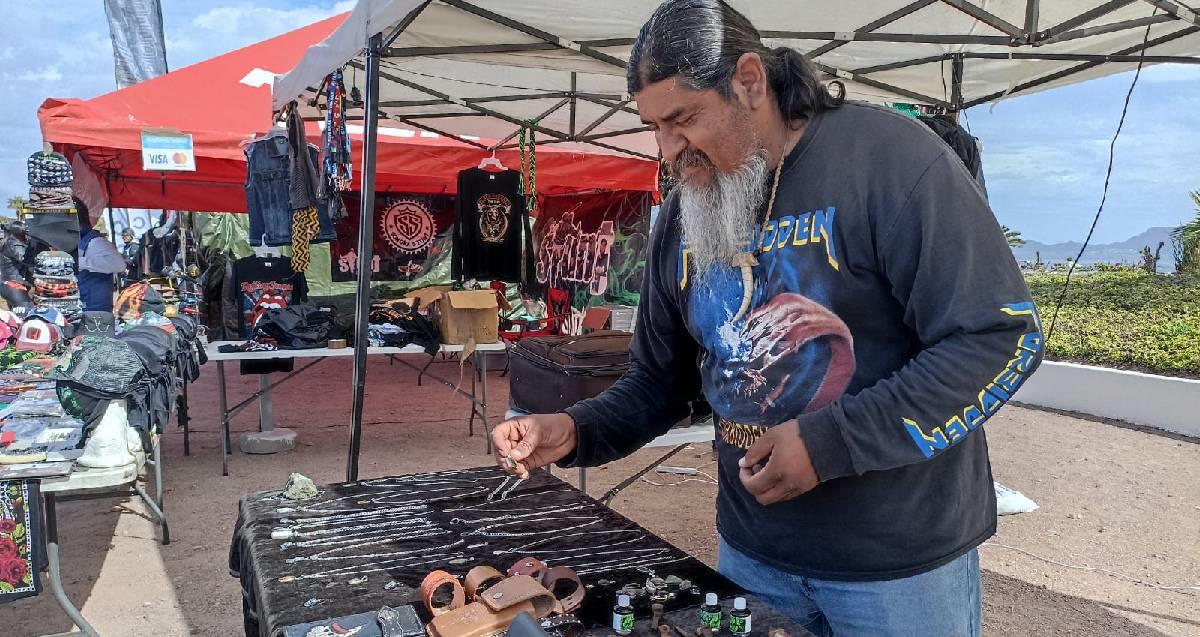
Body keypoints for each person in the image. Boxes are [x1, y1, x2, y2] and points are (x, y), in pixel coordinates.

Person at [491, 2, 1042, 636]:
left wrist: (830, 442)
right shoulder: (681, 215)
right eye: (655, 127)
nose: (670, 151)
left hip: (898, 567)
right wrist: (573, 429)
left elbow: (998, 337)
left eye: (684, 119)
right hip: (752, 555)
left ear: (750, 81)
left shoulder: (891, 162)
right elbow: (659, 383)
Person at [77, 205, 126, 313]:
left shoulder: (95, 242)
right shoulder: (77, 241)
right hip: (79, 308)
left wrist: (80, 262)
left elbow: (119, 264)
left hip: (94, 311)